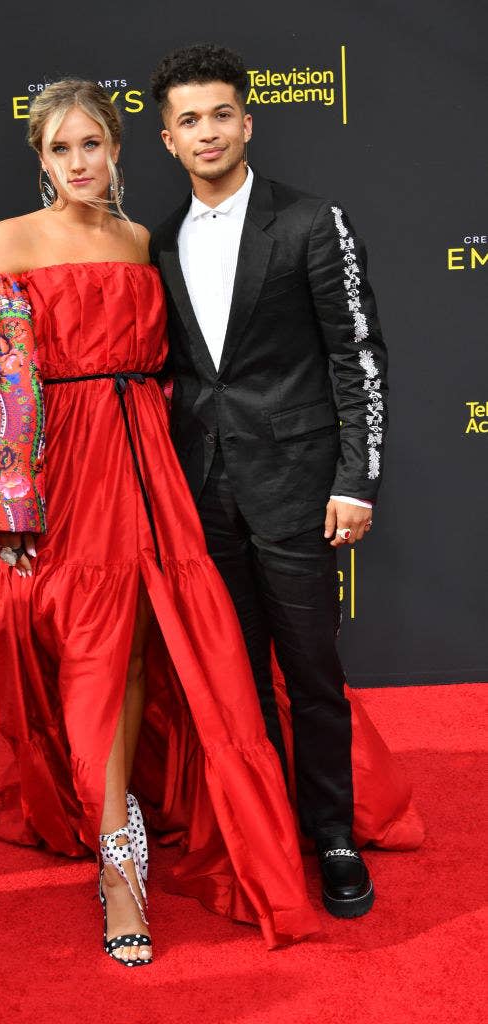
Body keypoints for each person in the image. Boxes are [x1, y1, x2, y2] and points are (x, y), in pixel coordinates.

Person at [0, 79, 325, 966]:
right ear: (41, 160)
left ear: (118, 151)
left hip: (150, 463)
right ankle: (116, 870)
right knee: (93, 657)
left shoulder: (145, 241)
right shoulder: (10, 243)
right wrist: (8, 504)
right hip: (64, 469)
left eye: (92, 146)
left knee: (147, 649)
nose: (78, 162)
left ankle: (139, 815)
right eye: (60, 149)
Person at [149, 44, 422, 918]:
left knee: (309, 673)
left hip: (300, 488)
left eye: (221, 113)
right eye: (189, 119)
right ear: (166, 138)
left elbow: (358, 358)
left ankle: (333, 833)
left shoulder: (310, 221)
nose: (207, 131)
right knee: (236, 680)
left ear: (246, 122)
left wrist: (358, 481)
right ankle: (266, 830)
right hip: (203, 494)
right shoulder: (156, 241)